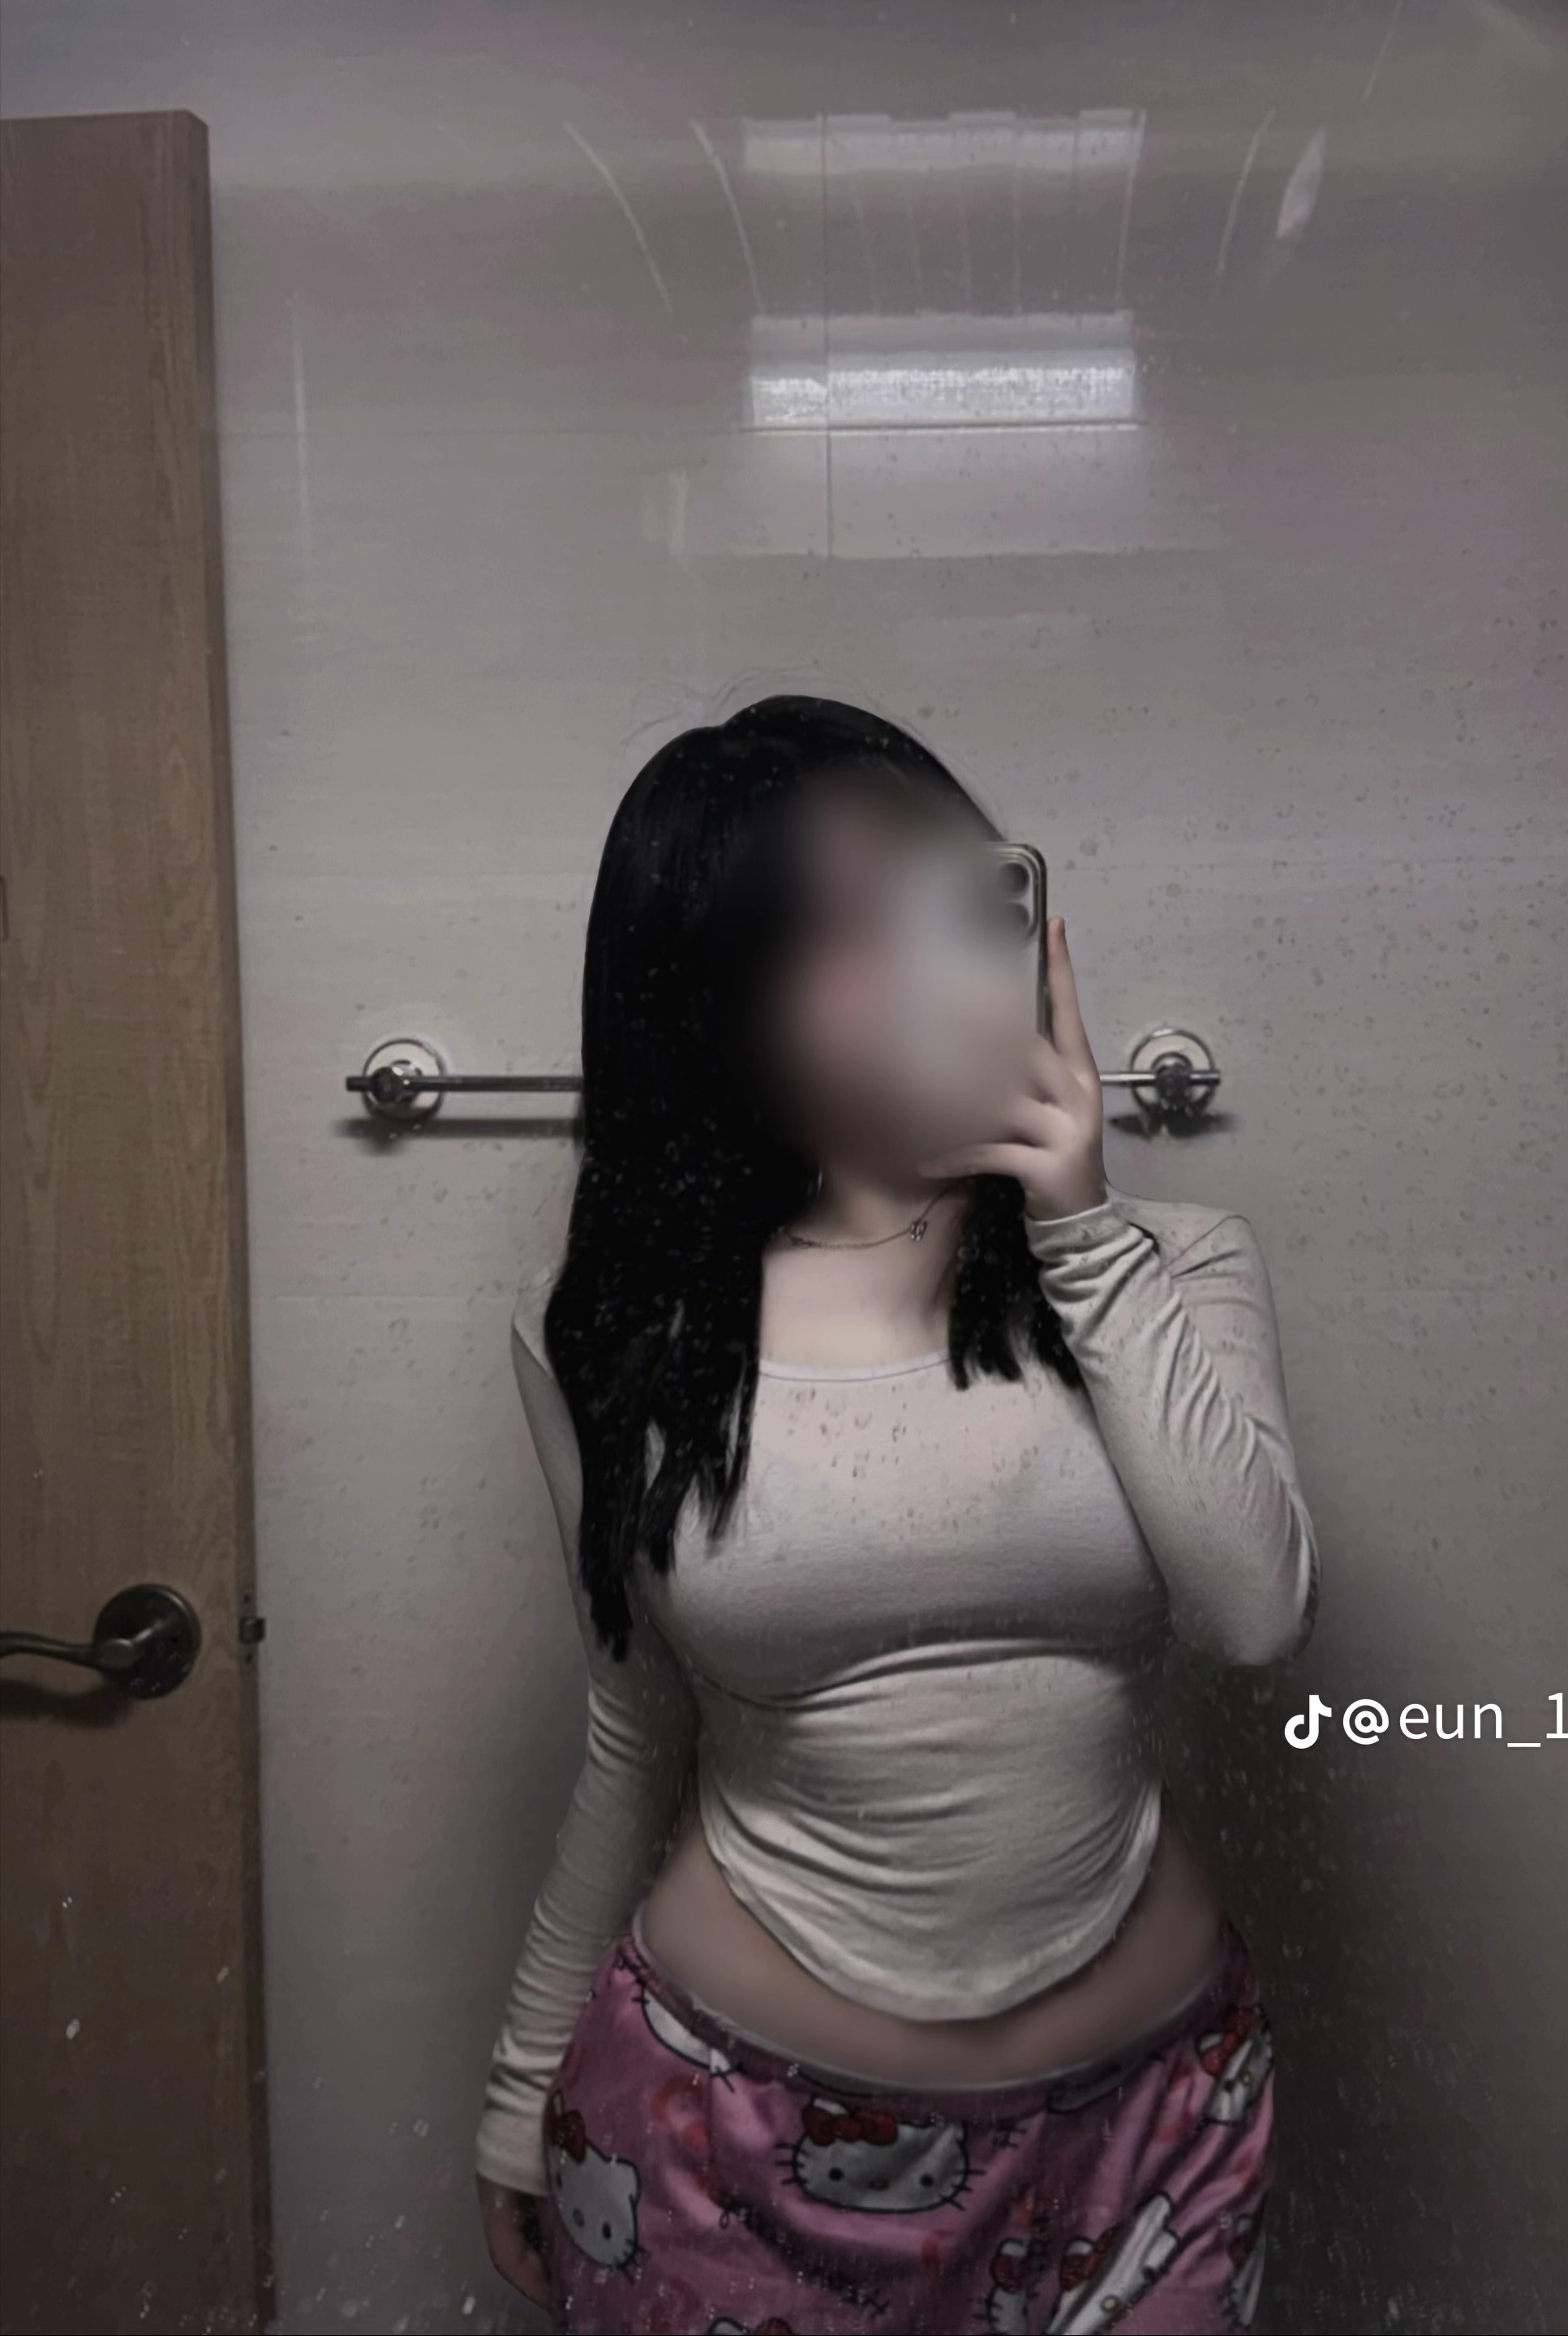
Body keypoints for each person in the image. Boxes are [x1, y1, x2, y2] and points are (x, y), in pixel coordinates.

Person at [474, 696, 1320, 2334]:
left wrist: (1078, 1226)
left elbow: (1257, 1615)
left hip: (1153, 2139)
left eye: (942, 892)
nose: (918, 961)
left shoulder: (1177, 1263)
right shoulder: (610, 1331)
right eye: (834, 930)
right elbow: (632, 1735)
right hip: (725, 2146)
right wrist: (519, 2094)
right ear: (717, 997)